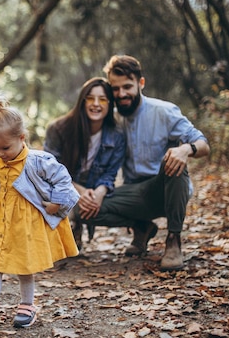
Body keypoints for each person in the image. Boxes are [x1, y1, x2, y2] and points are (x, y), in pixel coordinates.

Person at [84, 55, 210, 271]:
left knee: (174, 158)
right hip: (135, 192)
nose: (121, 94)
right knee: (84, 210)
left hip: (166, 188)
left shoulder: (164, 111)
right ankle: (141, 226)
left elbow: (203, 145)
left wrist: (185, 149)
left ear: (140, 83)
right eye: (115, 89)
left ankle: (173, 240)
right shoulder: (112, 119)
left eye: (127, 87)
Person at [0, 87, 79, 330]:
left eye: (5, 148)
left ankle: (27, 305)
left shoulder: (38, 161)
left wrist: (58, 203)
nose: (0, 154)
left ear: (22, 138)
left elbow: (63, 178)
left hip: (26, 220)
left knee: (24, 262)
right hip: (2, 218)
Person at [44, 77, 126, 251]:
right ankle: (64, 229)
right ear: (82, 100)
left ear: (110, 104)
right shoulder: (58, 129)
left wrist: (99, 192)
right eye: (90, 98)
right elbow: (49, 172)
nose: (96, 104)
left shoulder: (117, 135)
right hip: (61, 189)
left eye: (102, 99)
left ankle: (140, 229)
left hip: (93, 191)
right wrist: (79, 191)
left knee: (123, 203)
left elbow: (110, 175)